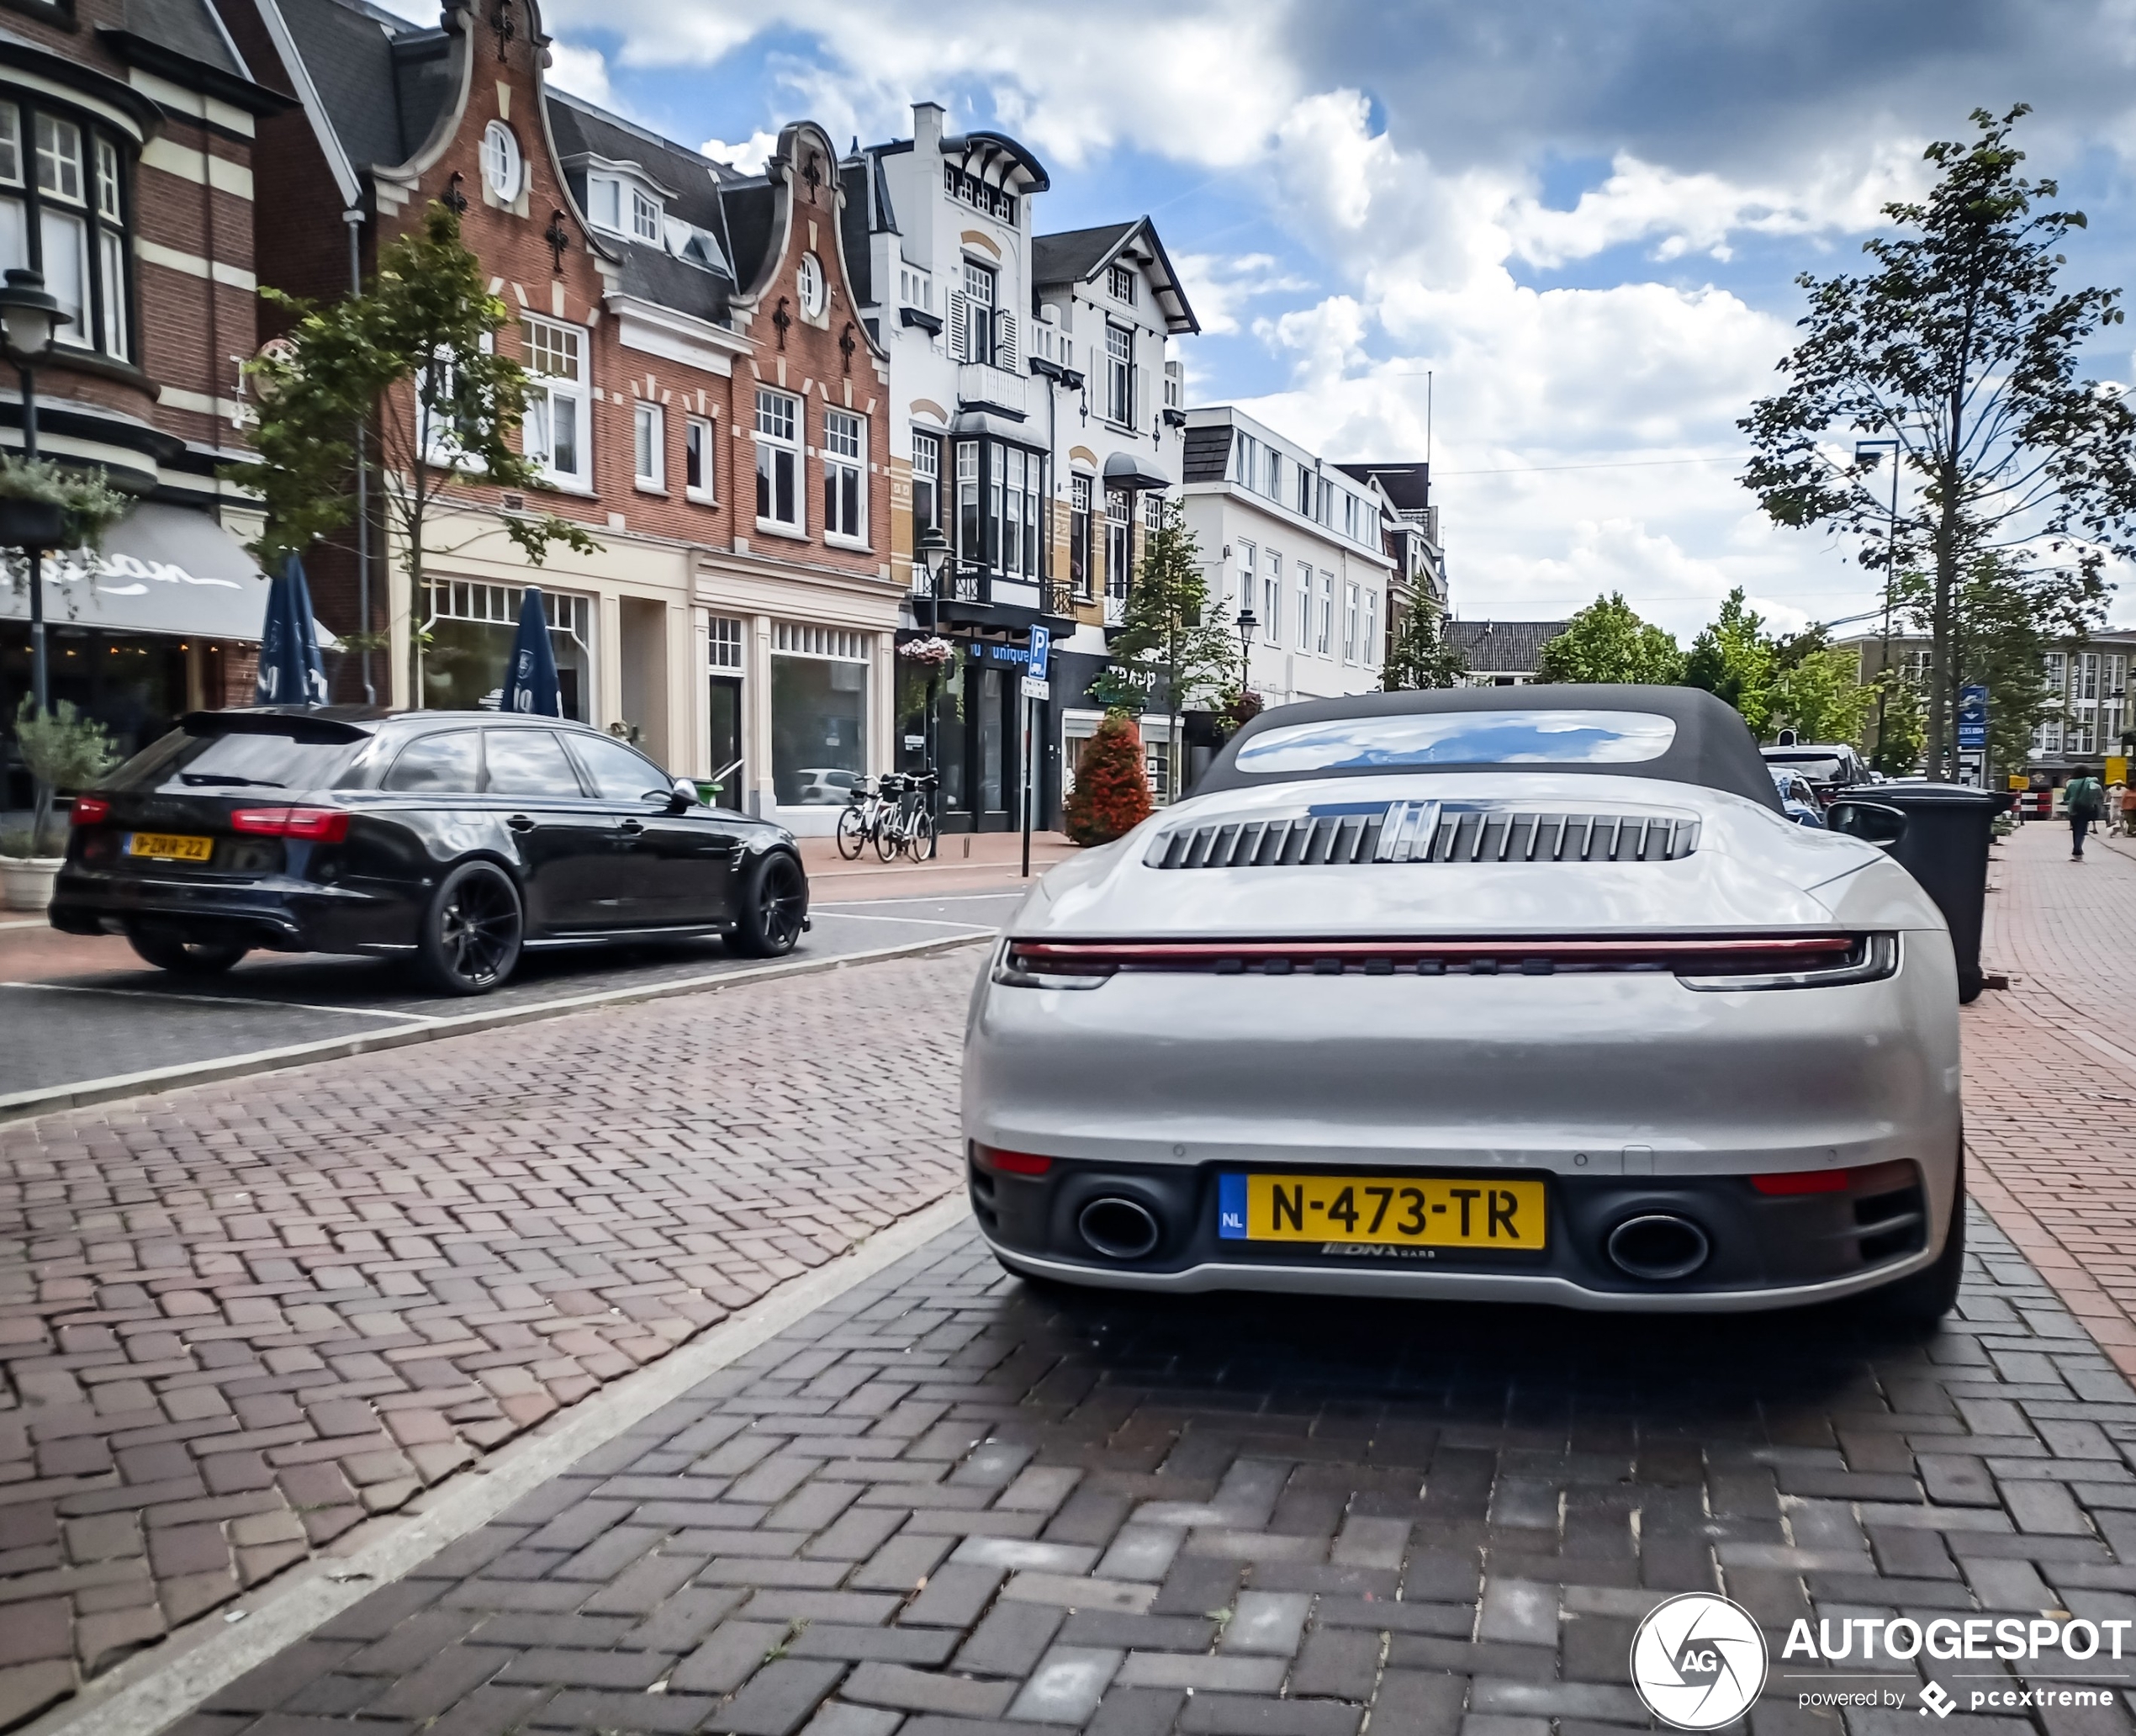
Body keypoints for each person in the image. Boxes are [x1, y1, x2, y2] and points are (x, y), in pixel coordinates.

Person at [2065, 767, 2105, 860]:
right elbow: (2100, 796)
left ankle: (2076, 847)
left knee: (2075, 830)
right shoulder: (2093, 783)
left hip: (2074, 809)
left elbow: (2066, 797)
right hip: (2087, 808)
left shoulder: (2072, 783)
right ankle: (2078, 848)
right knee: (2082, 829)